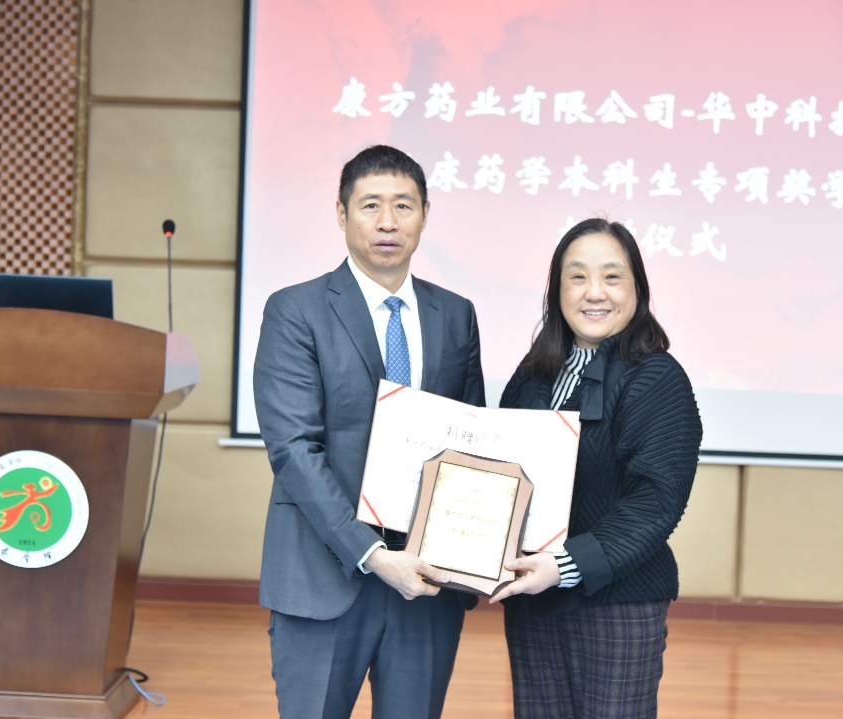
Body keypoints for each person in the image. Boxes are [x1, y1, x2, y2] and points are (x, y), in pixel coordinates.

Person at [253, 145, 486, 719]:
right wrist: (374, 555)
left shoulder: (456, 315)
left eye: (403, 205)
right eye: (370, 205)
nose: (388, 222)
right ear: (341, 214)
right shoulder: (295, 310)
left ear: (425, 215)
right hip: (324, 573)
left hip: (427, 584)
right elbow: (294, 450)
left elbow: (471, 444)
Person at [489, 218, 702, 719]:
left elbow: (655, 502)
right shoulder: (533, 373)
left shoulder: (657, 378)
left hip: (617, 606)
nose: (594, 292)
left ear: (636, 289)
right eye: (578, 276)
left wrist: (564, 566)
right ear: (557, 290)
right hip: (533, 599)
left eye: (612, 276)